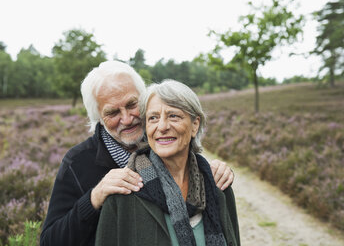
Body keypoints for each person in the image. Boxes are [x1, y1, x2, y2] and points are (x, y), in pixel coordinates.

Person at [40, 61, 235, 246]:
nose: (126, 119)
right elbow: (50, 241)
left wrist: (211, 172)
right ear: (98, 118)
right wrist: (94, 198)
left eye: (132, 105)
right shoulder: (78, 162)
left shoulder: (163, 145)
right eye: (113, 113)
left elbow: (186, 158)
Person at [95, 80, 240, 246]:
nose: (162, 126)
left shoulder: (217, 184)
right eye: (153, 118)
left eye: (173, 116)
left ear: (195, 125)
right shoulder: (124, 193)